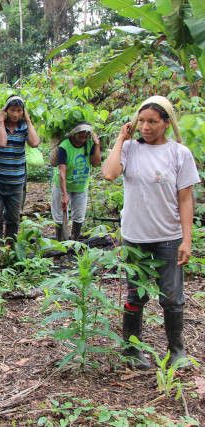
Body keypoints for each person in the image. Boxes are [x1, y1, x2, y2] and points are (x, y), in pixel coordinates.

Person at [102, 96, 200, 369]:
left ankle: (176, 351)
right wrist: (121, 140)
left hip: (168, 237)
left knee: (172, 297)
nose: (146, 126)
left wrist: (186, 240)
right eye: (142, 121)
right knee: (135, 295)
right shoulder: (130, 149)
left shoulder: (179, 153)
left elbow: (185, 199)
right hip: (135, 237)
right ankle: (131, 350)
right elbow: (109, 174)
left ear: (166, 123)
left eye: (153, 122)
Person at [0, 95, 40, 244]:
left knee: (13, 219)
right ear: (6, 110)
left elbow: (34, 142)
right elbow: (2, 142)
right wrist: (1, 121)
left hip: (16, 183)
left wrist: (28, 120)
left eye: (19, 110)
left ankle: (10, 250)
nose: (15, 114)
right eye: (12, 110)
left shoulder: (23, 127)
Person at [51, 122, 101, 240]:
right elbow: (62, 172)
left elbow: (96, 162)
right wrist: (64, 195)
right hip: (62, 185)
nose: (83, 135)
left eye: (86, 133)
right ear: (74, 133)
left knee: (79, 215)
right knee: (59, 214)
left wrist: (97, 144)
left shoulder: (89, 144)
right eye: (80, 132)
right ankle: (61, 242)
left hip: (80, 185)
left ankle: (74, 242)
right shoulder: (65, 146)